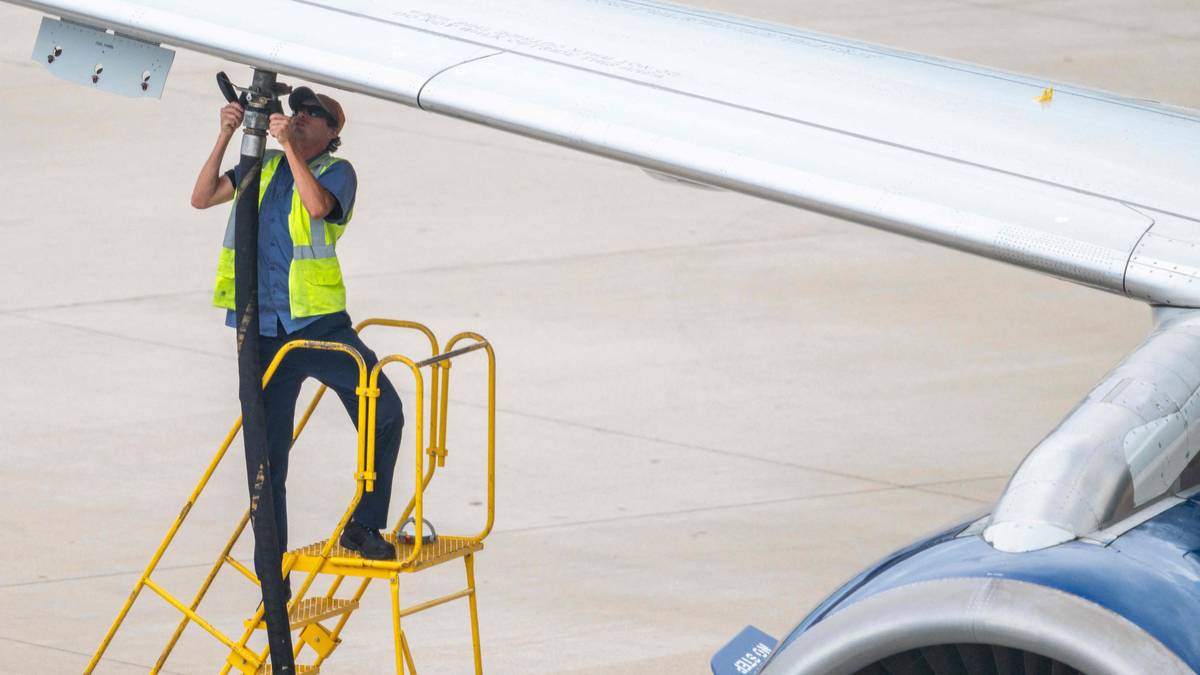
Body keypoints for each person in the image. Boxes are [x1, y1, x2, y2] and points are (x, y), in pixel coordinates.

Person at [190, 87, 402, 561]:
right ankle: (272, 578)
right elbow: (201, 198)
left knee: (384, 411)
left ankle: (364, 525)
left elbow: (317, 207)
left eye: (315, 114)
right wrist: (226, 136)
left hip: (319, 327)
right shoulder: (260, 165)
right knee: (267, 461)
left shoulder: (336, 172)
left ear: (333, 134)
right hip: (263, 330)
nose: (302, 117)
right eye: (299, 110)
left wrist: (287, 146)